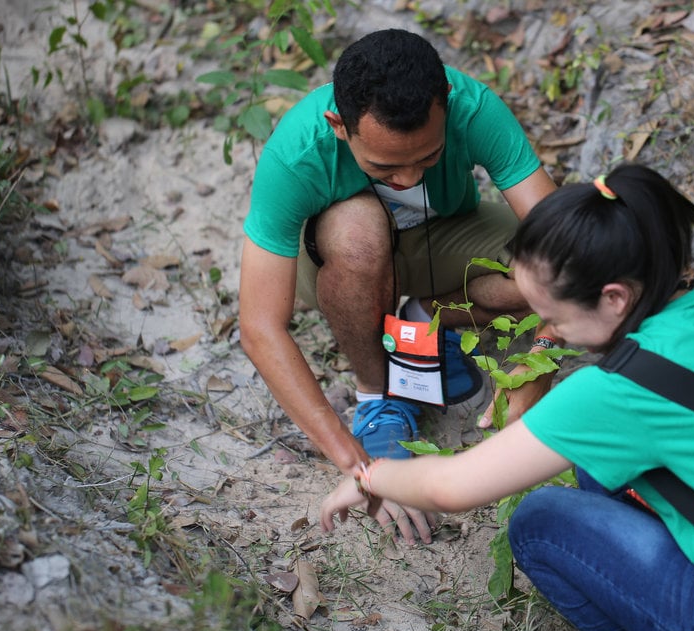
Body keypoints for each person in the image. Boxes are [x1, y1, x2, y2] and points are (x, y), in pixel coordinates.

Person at [320, 163, 694, 631]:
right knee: (597, 465)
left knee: (540, 523)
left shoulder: (619, 390)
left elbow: (452, 487)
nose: (553, 334)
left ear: (614, 298)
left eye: (556, 318)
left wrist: (369, 477)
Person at [238, 28, 557, 544]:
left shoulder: (473, 108)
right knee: (359, 230)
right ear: (339, 126)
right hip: (339, 260)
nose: (407, 180)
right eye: (385, 166)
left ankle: (417, 320)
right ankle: (378, 395)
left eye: (427, 158)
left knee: (538, 273)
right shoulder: (297, 153)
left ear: (446, 109)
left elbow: (570, 255)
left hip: (439, 241)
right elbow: (258, 326)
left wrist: (540, 360)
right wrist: (358, 463)